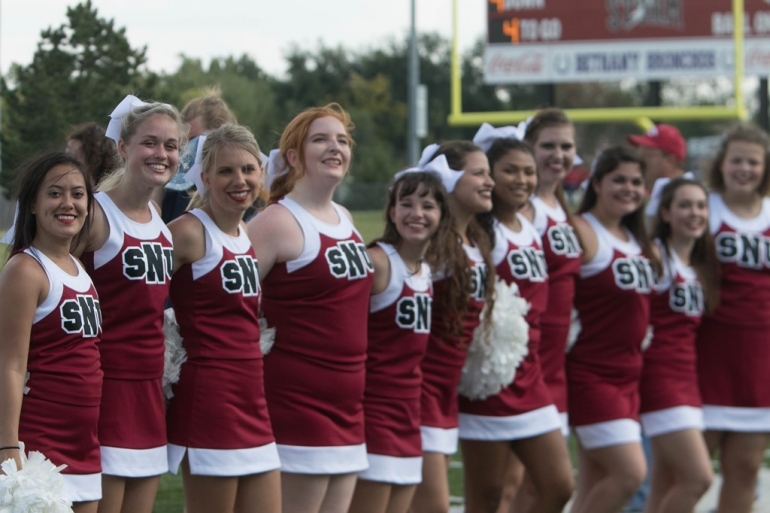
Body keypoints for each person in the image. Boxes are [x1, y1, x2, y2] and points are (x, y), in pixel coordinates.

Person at [246, 103, 373, 513]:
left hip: (349, 404)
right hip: (296, 403)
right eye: (321, 139)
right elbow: (230, 301)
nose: (335, 147)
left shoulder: (346, 217)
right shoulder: (276, 222)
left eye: (342, 140)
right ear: (295, 156)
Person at [166, 125, 281, 513]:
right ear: (204, 178)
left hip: (252, 397)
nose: (240, 180)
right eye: (226, 171)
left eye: (249, 169)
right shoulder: (187, 231)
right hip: (209, 401)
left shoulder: (247, 232)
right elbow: (131, 291)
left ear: (261, 174)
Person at [78, 95, 184, 513]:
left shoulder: (159, 218)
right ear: (123, 148)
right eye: (150, 143)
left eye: (171, 146)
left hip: (149, 392)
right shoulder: (94, 216)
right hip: (103, 392)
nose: (161, 154)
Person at [457, 135, 574, 513]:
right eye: (510, 171)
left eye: (528, 171)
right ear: (490, 176)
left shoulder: (529, 224)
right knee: (487, 498)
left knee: (559, 486)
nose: (522, 179)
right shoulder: (482, 233)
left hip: (533, 374)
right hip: (490, 381)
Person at [0, 152, 101, 512]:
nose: (68, 203)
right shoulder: (26, 270)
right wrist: (9, 447)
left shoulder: (78, 267)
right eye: (55, 193)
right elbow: (10, 364)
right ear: (31, 204)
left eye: (78, 194)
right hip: (41, 446)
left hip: (85, 443)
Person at [349, 166, 452, 513]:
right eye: (406, 204)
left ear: (442, 214)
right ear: (392, 212)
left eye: (428, 205)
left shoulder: (424, 272)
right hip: (373, 415)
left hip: (409, 416)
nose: (417, 214)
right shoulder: (377, 262)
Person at [567, 146, 656, 513]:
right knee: (629, 474)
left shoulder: (637, 239)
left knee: (593, 484)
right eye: (619, 180)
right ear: (597, 183)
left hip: (629, 374)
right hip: (591, 374)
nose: (629, 188)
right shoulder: (582, 230)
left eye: (637, 182)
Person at [410, 141, 496, 513]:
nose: (489, 181)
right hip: (418, 392)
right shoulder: (428, 248)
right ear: (448, 181)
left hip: (445, 393)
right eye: (479, 173)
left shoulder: (475, 239)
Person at [696, 124, 770, 513]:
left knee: (744, 469)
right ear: (721, 165)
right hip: (705, 352)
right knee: (690, 473)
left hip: (760, 357)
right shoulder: (703, 208)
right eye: (736, 160)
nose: (744, 168)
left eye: (753, 162)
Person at [638, 178, 717, 512]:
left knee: (665, 484)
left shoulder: (699, 266)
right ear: (666, 213)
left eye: (701, 206)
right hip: (660, 379)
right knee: (699, 479)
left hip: (688, 379)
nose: (694, 213)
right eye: (685, 205)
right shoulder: (655, 256)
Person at [162, 87, 238, 223]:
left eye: (194, 140)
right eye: (181, 140)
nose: (186, 148)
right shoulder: (174, 185)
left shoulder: (240, 191)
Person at [628, 124, 691, 219]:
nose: (640, 160)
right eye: (639, 154)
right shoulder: (642, 196)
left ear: (671, 160)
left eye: (647, 154)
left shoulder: (696, 199)